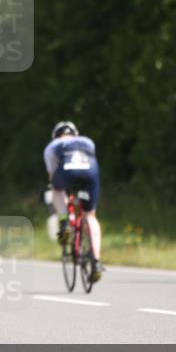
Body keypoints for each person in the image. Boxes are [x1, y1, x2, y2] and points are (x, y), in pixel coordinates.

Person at [43, 121, 103, 283]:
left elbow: (52, 176)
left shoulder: (52, 146)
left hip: (67, 171)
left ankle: (65, 222)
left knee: (56, 190)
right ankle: (96, 261)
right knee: (90, 216)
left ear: (55, 136)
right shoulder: (87, 141)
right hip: (91, 171)